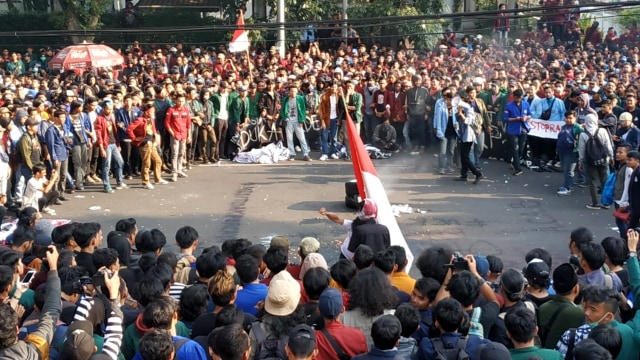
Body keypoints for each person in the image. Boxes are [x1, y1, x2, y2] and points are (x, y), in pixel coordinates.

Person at [127, 103, 169, 189]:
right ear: (146, 112)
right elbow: (129, 129)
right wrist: (134, 138)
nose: (153, 113)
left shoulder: (151, 120)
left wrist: (155, 137)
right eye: (151, 111)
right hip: (145, 144)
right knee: (146, 163)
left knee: (158, 161)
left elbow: (153, 129)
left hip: (152, 143)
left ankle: (158, 179)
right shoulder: (140, 120)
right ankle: (145, 182)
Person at [94, 100, 125, 194]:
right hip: (106, 145)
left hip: (114, 143)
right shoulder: (99, 119)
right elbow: (98, 135)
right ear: (103, 109)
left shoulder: (112, 116)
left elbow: (115, 132)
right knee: (106, 165)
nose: (110, 111)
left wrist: (118, 144)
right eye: (108, 109)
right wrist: (102, 148)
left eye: (111, 109)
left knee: (120, 162)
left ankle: (119, 182)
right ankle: (106, 186)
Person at [455, 92, 484, 184]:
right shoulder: (463, 110)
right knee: (463, 156)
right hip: (463, 135)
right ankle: (464, 175)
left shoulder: (470, 110)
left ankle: (478, 173)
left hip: (469, 136)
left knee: (465, 157)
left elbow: (468, 122)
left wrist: (461, 114)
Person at [503, 89, 531, 176]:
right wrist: (517, 118)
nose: (519, 99)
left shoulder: (526, 104)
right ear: (514, 97)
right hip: (512, 130)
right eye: (517, 98)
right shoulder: (508, 105)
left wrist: (526, 117)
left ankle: (515, 162)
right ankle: (518, 168)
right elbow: (506, 118)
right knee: (515, 148)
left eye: (520, 98)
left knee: (521, 149)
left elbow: (530, 114)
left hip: (523, 129)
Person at [279, 84, 311, 161]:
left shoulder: (300, 98)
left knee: (302, 138)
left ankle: (306, 154)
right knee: (289, 138)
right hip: (289, 121)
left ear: (297, 91)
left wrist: (301, 120)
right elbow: (282, 110)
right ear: (289, 92)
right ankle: (292, 154)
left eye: (294, 91)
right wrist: (285, 118)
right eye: (291, 91)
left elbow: (303, 110)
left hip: (297, 121)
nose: (293, 93)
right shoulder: (286, 99)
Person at [165, 92, 191, 182]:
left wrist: (189, 136)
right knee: (174, 154)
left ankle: (179, 170)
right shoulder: (171, 110)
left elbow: (188, 124)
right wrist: (172, 133)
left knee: (181, 153)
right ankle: (174, 172)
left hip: (183, 135)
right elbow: (167, 123)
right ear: (176, 101)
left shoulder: (186, 110)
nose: (181, 103)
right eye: (179, 101)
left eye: (183, 101)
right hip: (175, 135)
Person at [556, 111, 583, 195]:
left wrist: (577, 150)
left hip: (571, 152)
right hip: (562, 151)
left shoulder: (578, 128)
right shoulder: (564, 127)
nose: (568, 120)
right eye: (567, 118)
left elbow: (582, 140)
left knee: (569, 170)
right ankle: (567, 185)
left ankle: (568, 188)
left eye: (570, 118)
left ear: (575, 118)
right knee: (565, 169)